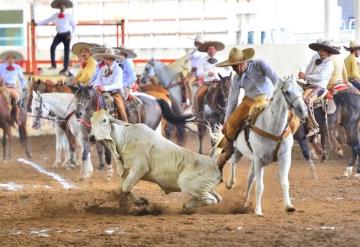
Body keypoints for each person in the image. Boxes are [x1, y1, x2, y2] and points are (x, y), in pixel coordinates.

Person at [215, 47, 279, 167]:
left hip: (266, 98)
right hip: (248, 101)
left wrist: (281, 92)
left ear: (244, 62)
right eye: (233, 66)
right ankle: (227, 149)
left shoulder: (260, 64)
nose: (235, 69)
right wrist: (226, 121)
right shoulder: (236, 79)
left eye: (236, 65)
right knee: (232, 122)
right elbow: (232, 101)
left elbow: (275, 77)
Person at [298, 40, 338, 137]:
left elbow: (321, 77)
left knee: (306, 100)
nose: (321, 52)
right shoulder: (315, 58)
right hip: (309, 84)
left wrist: (306, 76)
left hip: (319, 86)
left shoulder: (329, 64)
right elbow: (308, 70)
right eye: (320, 50)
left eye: (324, 51)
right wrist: (304, 75)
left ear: (328, 53)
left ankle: (314, 126)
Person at [34, 0, 76, 75]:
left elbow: (74, 26)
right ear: (58, 7)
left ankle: (65, 68)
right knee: (52, 47)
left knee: (66, 51)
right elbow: (46, 20)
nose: (62, 7)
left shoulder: (69, 16)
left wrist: (71, 35)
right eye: (60, 5)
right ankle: (53, 65)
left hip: (67, 35)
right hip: (59, 35)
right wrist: (36, 23)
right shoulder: (55, 15)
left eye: (63, 6)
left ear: (65, 7)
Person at [92, 48, 128, 122]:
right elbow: (98, 80)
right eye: (105, 59)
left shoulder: (118, 69)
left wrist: (104, 88)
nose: (107, 61)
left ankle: (125, 123)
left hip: (115, 93)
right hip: (102, 93)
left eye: (109, 59)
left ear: (113, 60)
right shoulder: (102, 69)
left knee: (120, 106)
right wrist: (95, 86)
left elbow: (118, 84)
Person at [194, 40, 227, 111]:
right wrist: (207, 73)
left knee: (230, 94)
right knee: (198, 96)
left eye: (213, 49)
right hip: (208, 83)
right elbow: (198, 73)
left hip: (220, 83)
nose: (211, 51)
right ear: (206, 51)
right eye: (209, 49)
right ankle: (199, 114)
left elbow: (229, 69)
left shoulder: (222, 59)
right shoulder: (202, 60)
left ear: (216, 50)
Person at [0, 51, 27, 124]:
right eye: (9, 58)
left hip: (12, 87)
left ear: (15, 59)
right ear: (6, 59)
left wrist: (23, 88)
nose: (10, 60)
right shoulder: (1, 66)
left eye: (12, 58)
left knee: (17, 98)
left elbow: (22, 79)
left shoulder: (17, 67)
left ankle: (17, 116)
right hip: (2, 87)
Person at [183, 34, 205, 107]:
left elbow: (192, 56)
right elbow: (189, 57)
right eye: (196, 43)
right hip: (192, 71)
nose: (196, 44)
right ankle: (188, 100)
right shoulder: (196, 51)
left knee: (188, 82)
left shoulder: (200, 51)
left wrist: (189, 55)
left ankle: (192, 100)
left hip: (197, 71)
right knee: (185, 82)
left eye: (197, 43)